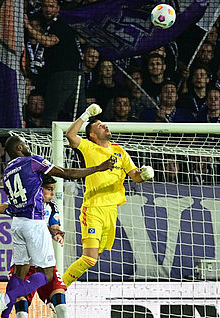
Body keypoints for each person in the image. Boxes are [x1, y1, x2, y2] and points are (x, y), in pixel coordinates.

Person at [0, 135, 115, 318]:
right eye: (24, 143)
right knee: (47, 274)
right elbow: (66, 173)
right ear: (19, 148)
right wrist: (98, 168)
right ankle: (6, 299)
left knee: (21, 270)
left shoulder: (7, 171)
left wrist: (53, 230)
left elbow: (8, 204)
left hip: (16, 225)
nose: (28, 145)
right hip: (33, 223)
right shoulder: (31, 160)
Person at [62, 104, 154, 287]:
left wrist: (143, 175)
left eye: (105, 124)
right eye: (99, 125)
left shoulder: (120, 151)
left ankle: (58, 287)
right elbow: (70, 136)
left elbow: (134, 175)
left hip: (111, 211)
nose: (105, 126)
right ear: (93, 135)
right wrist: (87, 115)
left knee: (95, 257)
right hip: (94, 209)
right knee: (89, 258)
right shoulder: (89, 148)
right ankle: (58, 288)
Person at [0, 175, 71, 318]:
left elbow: (54, 226)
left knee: (61, 306)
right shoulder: (25, 201)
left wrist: (57, 233)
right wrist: (16, 210)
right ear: (38, 188)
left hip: (45, 262)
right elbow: (0, 208)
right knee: (23, 315)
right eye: (48, 189)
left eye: (53, 189)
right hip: (27, 265)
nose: (51, 193)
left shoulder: (51, 207)